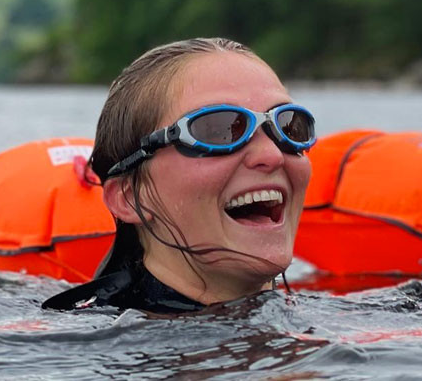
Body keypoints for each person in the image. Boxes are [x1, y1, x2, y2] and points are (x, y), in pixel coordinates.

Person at [43, 38, 316, 312]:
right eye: (217, 130)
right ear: (129, 197)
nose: (272, 155)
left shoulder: (344, 321)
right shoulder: (85, 346)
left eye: (290, 126)